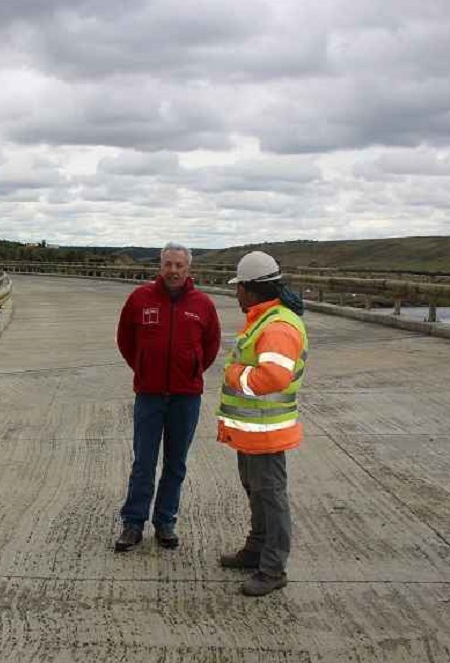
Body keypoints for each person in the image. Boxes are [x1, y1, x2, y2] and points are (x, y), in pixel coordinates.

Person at [114, 242, 221, 552]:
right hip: (149, 395)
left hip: (186, 397)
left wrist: (191, 370)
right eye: (168, 265)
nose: (173, 271)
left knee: (176, 464)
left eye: (179, 266)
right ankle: (133, 523)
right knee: (143, 462)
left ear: (188, 269)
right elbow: (125, 340)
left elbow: (211, 346)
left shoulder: (203, 305)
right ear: (160, 267)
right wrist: (144, 368)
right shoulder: (140, 299)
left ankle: (165, 521)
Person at [216, 251, 308, 597]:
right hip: (253, 432)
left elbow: (274, 376)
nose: (236, 293)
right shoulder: (263, 318)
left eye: (239, 287)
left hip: (268, 432)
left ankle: (272, 569)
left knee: (271, 497)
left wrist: (235, 374)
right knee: (256, 493)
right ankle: (256, 550)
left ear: (253, 289)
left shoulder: (278, 326)